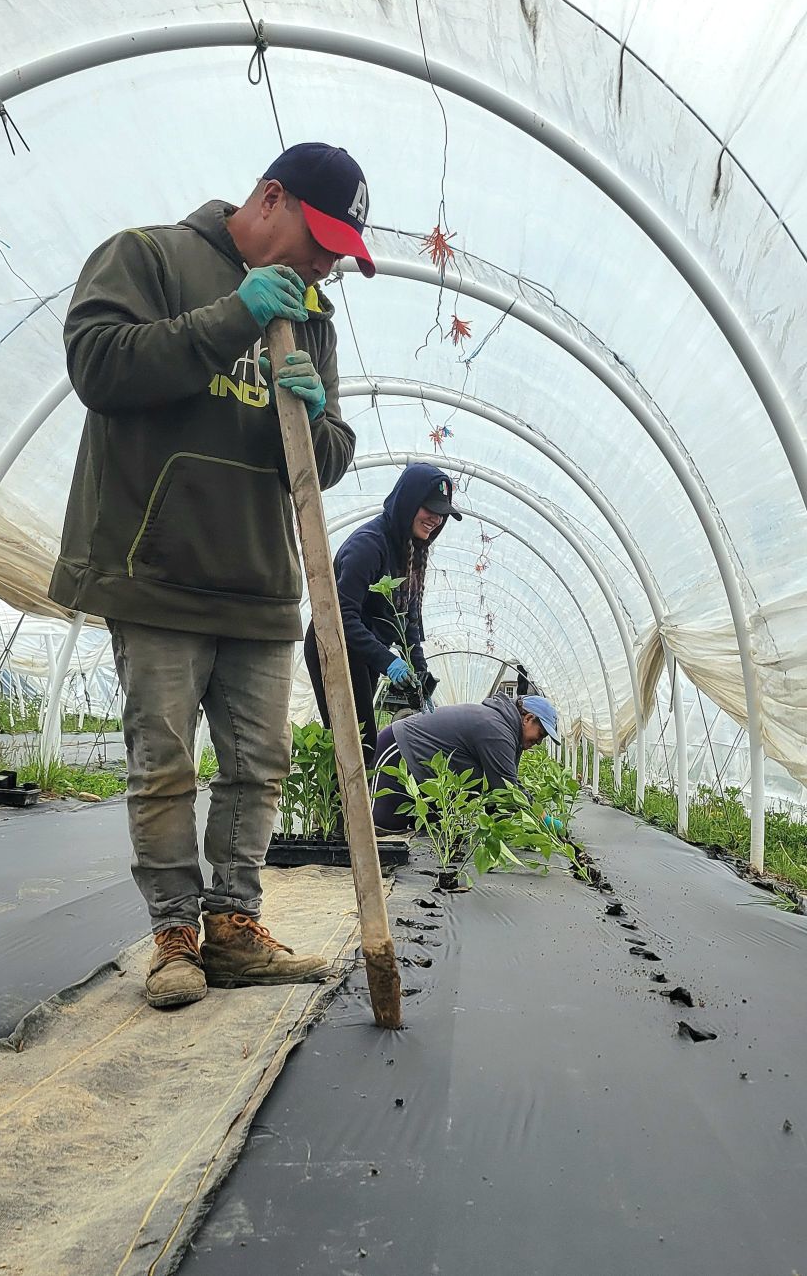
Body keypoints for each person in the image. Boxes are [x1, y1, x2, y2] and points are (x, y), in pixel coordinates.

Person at [49, 142, 374, 1010]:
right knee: (163, 765)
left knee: (258, 766)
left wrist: (300, 410)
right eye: (322, 239)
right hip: (156, 569)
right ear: (270, 197)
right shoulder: (149, 257)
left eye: (342, 252)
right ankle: (174, 938)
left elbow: (330, 456)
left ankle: (233, 928)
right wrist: (230, 319)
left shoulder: (311, 317)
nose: (327, 263)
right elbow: (100, 367)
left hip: (262, 581)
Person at [303, 463, 461, 759]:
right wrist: (389, 661)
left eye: (442, 513)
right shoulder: (368, 546)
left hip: (364, 653)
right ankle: (341, 806)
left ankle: (355, 805)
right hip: (335, 647)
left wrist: (420, 669)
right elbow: (341, 619)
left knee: (361, 744)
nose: (436, 519)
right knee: (355, 742)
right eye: (430, 509)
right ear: (409, 502)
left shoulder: (412, 551)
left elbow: (408, 620)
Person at [369, 693, 561, 832]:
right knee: (382, 830)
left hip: (427, 773)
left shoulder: (508, 730)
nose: (539, 741)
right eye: (541, 734)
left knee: (431, 832)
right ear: (528, 718)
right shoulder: (496, 729)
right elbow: (507, 787)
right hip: (399, 749)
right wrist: (543, 819)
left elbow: (497, 792)